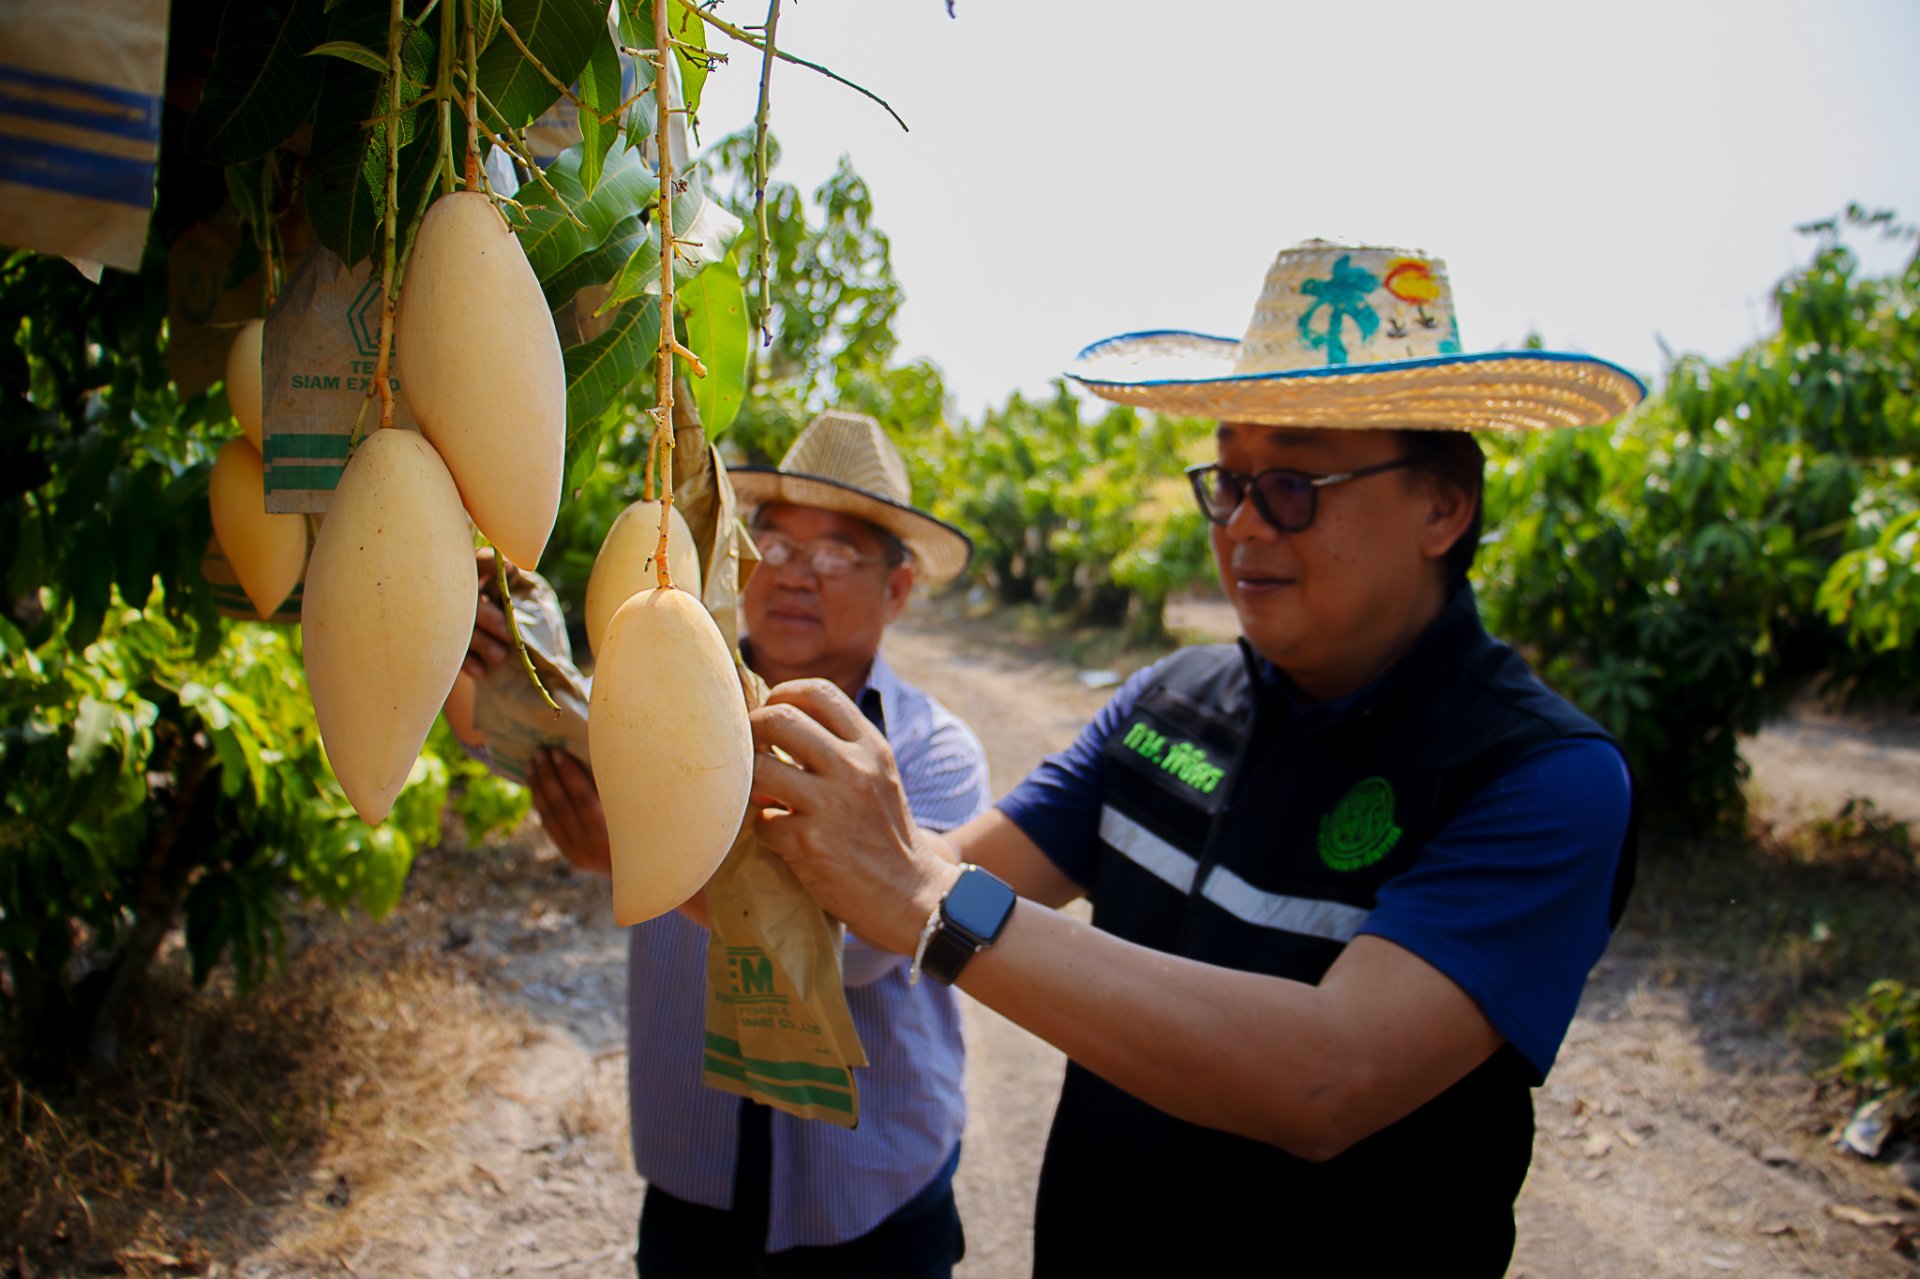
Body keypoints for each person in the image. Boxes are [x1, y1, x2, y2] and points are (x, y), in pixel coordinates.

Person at [745, 242, 1645, 1274]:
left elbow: (1328, 1079)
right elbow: (906, 881)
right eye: (1231, 481)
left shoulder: (1541, 776)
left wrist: (921, 897)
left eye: (1297, 485)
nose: (1246, 524)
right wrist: (647, 796)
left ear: (1443, 506)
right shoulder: (1166, 703)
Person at [462, 412, 989, 1278]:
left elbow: (861, 944)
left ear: (897, 590)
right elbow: (500, 732)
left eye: (834, 556)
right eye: (775, 544)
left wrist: (639, 859)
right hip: (695, 1176)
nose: (793, 576)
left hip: (868, 1189)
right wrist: (485, 642)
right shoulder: (660, 684)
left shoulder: (930, 751)